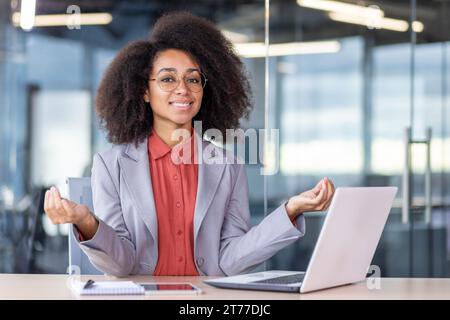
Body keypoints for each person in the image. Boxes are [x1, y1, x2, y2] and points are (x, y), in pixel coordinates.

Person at [44, 11, 335, 277]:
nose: (183, 89)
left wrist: (291, 211)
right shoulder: (110, 165)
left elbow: (231, 259)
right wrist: (85, 221)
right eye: (168, 78)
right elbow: (122, 263)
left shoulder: (228, 166)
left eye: (193, 80)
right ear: (144, 91)